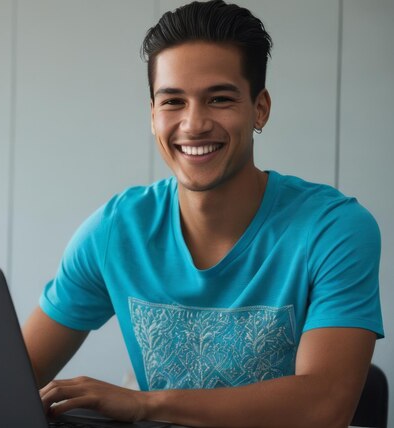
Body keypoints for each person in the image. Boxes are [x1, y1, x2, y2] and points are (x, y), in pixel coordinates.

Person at [22, 1, 384, 426]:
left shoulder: (334, 230)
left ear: (260, 108)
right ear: (153, 115)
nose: (193, 124)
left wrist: (146, 403)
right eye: (173, 101)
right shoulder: (115, 231)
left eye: (219, 99)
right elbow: (8, 377)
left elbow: (325, 405)